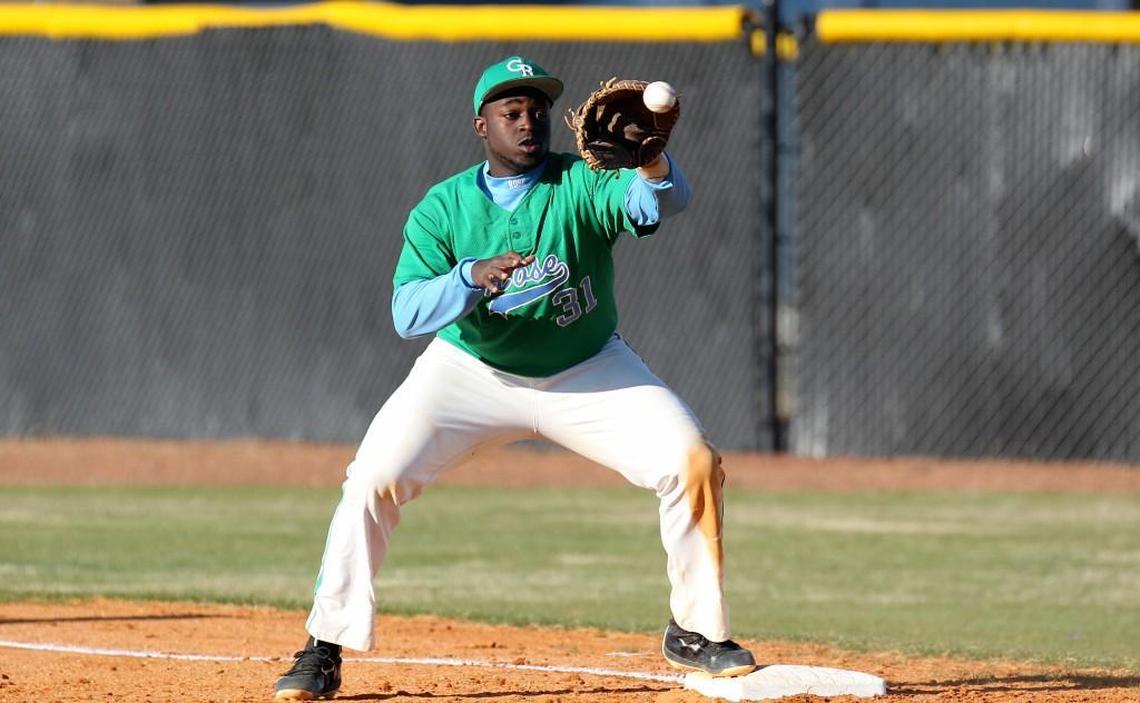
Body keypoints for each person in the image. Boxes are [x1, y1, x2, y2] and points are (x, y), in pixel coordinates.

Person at [273, 55, 757, 701]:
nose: (528, 122)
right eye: (511, 112)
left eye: (536, 110)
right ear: (483, 125)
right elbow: (406, 312)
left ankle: (696, 631)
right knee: (373, 478)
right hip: (470, 372)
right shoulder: (443, 207)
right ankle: (323, 645)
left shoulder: (583, 179)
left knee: (691, 460)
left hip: (587, 366)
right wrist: (469, 276)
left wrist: (652, 163)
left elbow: (660, 204)